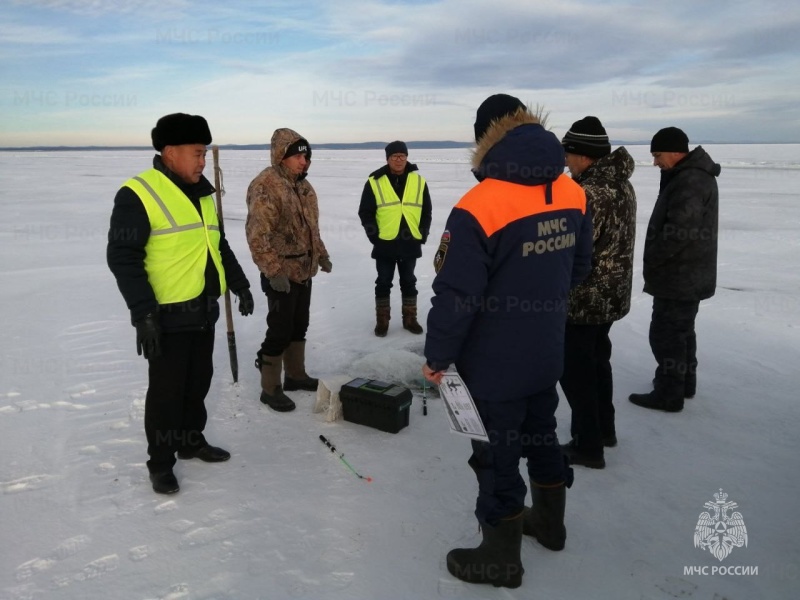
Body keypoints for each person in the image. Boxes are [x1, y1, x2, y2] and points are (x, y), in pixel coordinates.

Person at [422, 94, 593, 588]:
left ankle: (500, 558)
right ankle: (551, 525)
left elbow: (457, 294)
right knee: (541, 435)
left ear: (486, 138)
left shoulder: (479, 205)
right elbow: (578, 268)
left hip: (493, 364)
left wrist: (438, 356)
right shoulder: (571, 191)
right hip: (545, 351)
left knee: (496, 455)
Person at [107, 112, 255, 495]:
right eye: (196, 153)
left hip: (203, 310)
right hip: (166, 315)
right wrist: (143, 315)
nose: (202, 161)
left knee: (198, 383)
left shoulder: (203, 193)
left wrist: (238, 285)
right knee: (166, 394)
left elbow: (216, 245)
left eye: (205, 154)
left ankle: (190, 440)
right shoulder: (139, 193)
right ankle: (160, 463)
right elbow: (123, 257)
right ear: (170, 152)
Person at [558, 116, 637, 469]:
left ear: (583, 156)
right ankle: (604, 429)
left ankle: (587, 445)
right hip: (612, 295)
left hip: (585, 299)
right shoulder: (621, 185)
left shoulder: (588, 193)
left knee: (576, 372)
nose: (565, 161)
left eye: (568, 153)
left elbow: (574, 250)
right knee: (597, 361)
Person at [629, 127, 720, 412]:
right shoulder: (688, 175)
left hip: (680, 274)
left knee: (666, 334)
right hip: (689, 272)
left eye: (658, 155)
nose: (656, 162)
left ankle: (669, 393)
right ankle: (684, 383)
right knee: (682, 331)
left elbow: (679, 231)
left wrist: (654, 259)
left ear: (675, 151)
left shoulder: (690, 180)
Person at [246, 128, 332, 413]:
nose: (303, 162)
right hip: (281, 272)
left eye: (306, 157)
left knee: (299, 324)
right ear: (281, 156)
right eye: (297, 156)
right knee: (280, 330)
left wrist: (321, 254)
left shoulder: (304, 187)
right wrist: (273, 271)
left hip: (304, 270)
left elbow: (311, 228)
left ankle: (295, 375)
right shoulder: (266, 186)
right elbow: (258, 235)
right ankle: (270, 389)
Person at [358, 141, 432, 336]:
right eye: (394, 156)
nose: (399, 159)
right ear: (388, 159)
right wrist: (375, 237)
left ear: (407, 157)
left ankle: (410, 320)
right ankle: (382, 321)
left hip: (410, 242)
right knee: (383, 282)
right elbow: (365, 212)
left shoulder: (419, 181)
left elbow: (427, 212)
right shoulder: (374, 181)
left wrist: (422, 235)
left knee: (409, 281)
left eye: (402, 155)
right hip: (385, 243)